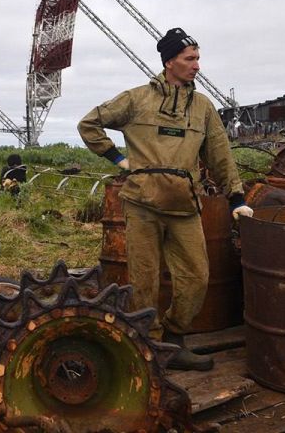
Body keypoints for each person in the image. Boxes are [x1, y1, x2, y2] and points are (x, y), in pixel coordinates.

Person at [77, 27, 253, 371]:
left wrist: (236, 197)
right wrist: (118, 159)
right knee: (144, 280)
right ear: (170, 61)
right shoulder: (137, 99)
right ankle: (150, 344)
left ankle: (175, 338)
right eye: (190, 58)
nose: (197, 65)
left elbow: (220, 155)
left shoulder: (202, 107)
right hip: (141, 204)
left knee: (196, 277)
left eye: (198, 58)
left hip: (184, 206)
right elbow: (89, 124)